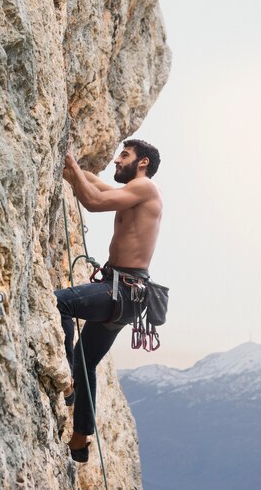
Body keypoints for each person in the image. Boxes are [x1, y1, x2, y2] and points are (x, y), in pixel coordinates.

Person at [55, 139, 162, 462]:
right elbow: (96, 184)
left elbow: (92, 201)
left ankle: (68, 382)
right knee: (85, 359)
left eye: (124, 155)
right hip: (126, 295)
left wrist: (71, 165)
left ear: (142, 163)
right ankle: (79, 440)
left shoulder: (145, 189)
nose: (117, 160)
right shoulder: (135, 192)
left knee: (61, 303)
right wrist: (67, 165)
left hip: (121, 291)